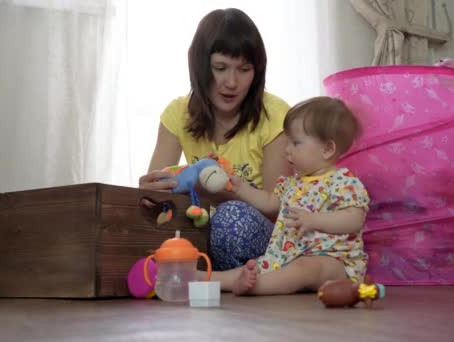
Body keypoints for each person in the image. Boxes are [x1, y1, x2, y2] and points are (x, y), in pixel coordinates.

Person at [138, 8, 291, 271]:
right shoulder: (177, 113)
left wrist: (223, 192)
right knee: (152, 226)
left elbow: (275, 210)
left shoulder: (276, 115)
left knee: (231, 220)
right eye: (220, 68)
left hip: (261, 236)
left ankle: (216, 280)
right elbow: (158, 194)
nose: (232, 82)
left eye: (244, 70)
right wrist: (147, 192)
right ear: (200, 67)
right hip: (201, 227)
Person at [209, 96, 370, 295]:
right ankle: (205, 278)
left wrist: (315, 220)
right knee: (256, 267)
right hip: (287, 255)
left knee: (306, 268)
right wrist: (241, 189)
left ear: (327, 149)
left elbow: (354, 220)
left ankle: (254, 287)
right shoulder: (291, 184)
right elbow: (268, 203)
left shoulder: (343, 182)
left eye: (295, 143)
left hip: (335, 261)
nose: (287, 150)